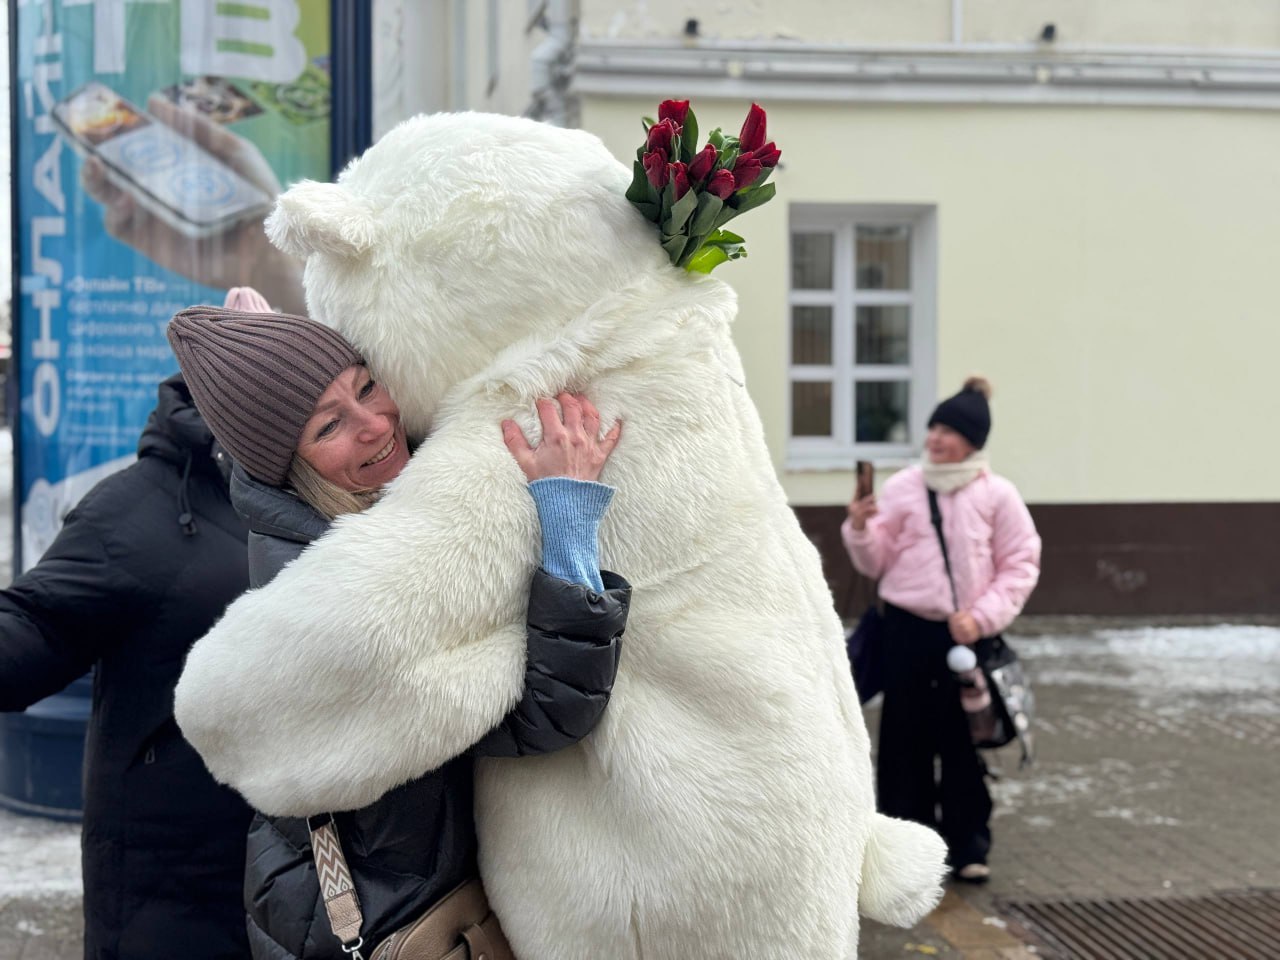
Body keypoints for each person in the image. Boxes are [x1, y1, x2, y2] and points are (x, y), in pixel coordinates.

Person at [166, 305, 631, 960]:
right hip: (412, 931)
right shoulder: (343, 606)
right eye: (330, 426)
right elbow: (545, 714)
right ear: (289, 466)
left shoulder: (347, 515)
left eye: (364, 385)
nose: (375, 424)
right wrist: (569, 517)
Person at [0, 374, 253, 959]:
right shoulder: (135, 508)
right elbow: (35, 627)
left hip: (293, 881)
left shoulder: (310, 491)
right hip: (174, 895)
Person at [843, 376, 1041, 884]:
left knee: (960, 744)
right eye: (933, 427)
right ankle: (907, 856)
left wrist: (982, 618)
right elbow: (876, 562)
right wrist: (861, 528)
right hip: (904, 631)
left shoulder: (998, 495)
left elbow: (1020, 563)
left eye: (949, 431)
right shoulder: (907, 485)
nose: (935, 438)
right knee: (903, 744)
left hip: (963, 637)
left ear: (972, 442)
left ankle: (968, 844)